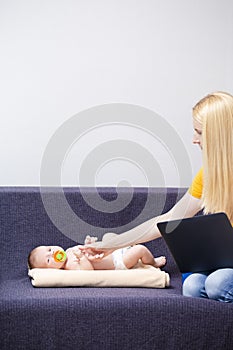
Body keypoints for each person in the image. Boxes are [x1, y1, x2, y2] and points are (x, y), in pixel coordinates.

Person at [79, 91, 233, 303]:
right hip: (225, 263)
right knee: (192, 285)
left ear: (218, 136)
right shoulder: (207, 176)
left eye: (199, 132)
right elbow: (168, 220)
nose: (194, 140)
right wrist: (112, 245)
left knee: (218, 283)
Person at [28, 237, 166, 271]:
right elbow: (88, 271)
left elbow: (88, 252)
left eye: (49, 249)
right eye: (48, 260)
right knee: (140, 249)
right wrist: (81, 257)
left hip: (114, 253)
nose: (52, 254)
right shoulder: (69, 266)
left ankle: (141, 261)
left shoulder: (69, 251)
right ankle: (152, 263)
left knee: (114, 237)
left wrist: (89, 244)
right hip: (118, 263)